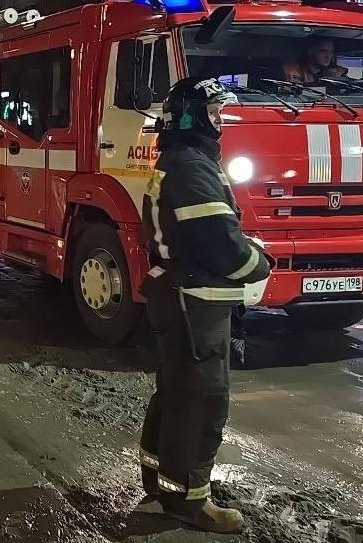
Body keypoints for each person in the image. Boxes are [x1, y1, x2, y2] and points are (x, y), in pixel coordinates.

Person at [138, 77, 272, 534]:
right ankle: (188, 501)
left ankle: (159, 478)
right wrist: (260, 263)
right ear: (193, 115)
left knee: (177, 392)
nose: (220, 122)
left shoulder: (181, 162)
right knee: (202, 401)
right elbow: (221, 245)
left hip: (181, 297)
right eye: (214, 113)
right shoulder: (192, 168)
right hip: (195, 301)